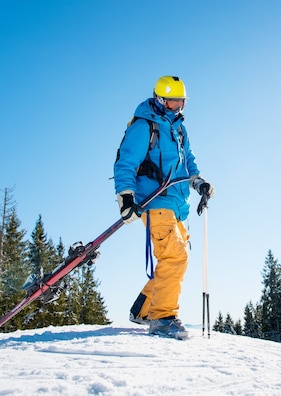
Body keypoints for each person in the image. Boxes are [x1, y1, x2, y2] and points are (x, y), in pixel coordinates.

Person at [113, 75, 214, 339]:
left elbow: (188, 160)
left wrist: (198, 182)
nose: (177, 108)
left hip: (179, 205)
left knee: (174, 259)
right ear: (159, 101)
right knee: (174, 256)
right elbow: (125, 162)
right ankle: (163, 318)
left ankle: (144, 309)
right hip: (154, 201)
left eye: (181, 103)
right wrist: (125, 198)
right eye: (172, 104)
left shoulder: (179, 128)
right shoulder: (144, 126)